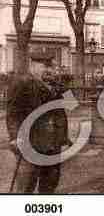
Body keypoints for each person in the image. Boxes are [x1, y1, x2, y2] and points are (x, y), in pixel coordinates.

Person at [6, 55, 71, 193]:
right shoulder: (23, 83)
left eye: (51, 66)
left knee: (49, 184)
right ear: (33, 66)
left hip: (53, 143)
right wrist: (14, 138)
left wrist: (60, 85)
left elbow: (72, 104)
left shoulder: (55, 86)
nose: (49, 70)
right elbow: (13, 114)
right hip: (31, 142)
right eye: (44, 66)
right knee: (26, 185)